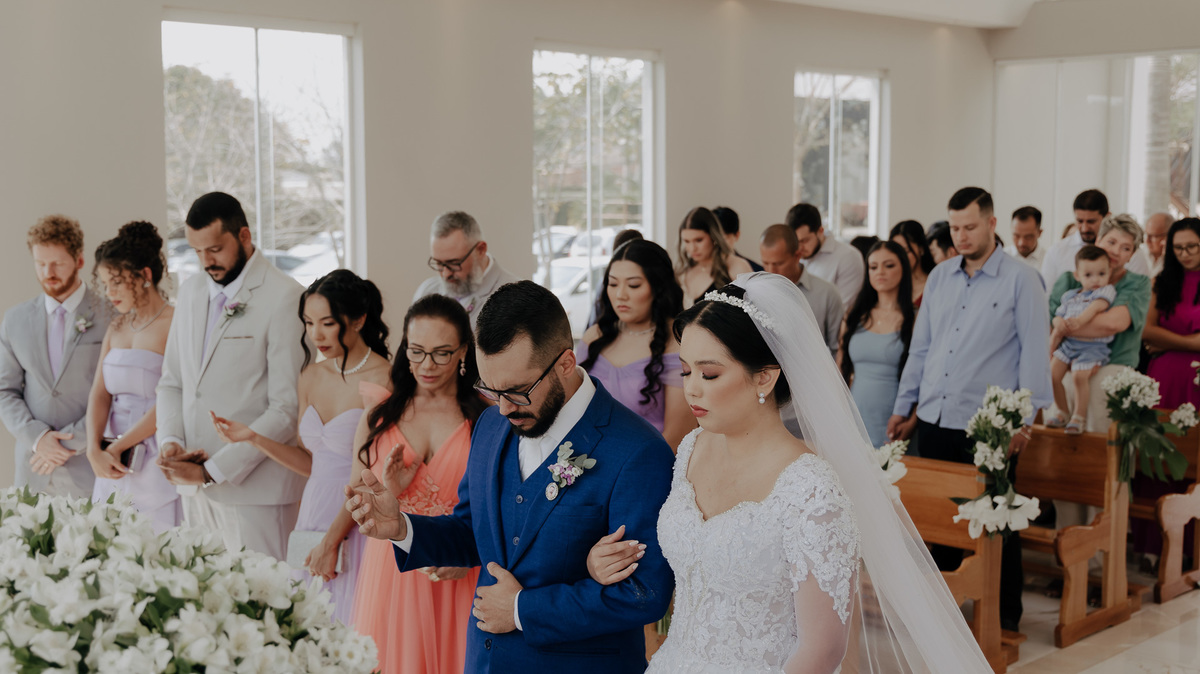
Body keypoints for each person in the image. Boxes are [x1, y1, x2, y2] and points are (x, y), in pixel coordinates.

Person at [585, 273, 992, 672]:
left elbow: (824, 649)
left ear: (765, 376)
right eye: (686, 371)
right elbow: (685, 562)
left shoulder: (810, 489)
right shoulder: (692, 448)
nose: (691, 388)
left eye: (709, 374)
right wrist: (606, 563)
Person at [346, 281, 675, 674]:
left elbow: (644, 592)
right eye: (490, 388)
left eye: (517, 392)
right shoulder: (489, 426)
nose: (502, 408)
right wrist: (401, 527)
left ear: (566, 364)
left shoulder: (638, 452)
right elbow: (473, 532)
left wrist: (522, 611)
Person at [889, 187, 1052, 631]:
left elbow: (1035, 356)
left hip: (989, 427)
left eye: (970, 227)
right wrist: (905, 406)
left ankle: (1003, 619)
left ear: (992, 224)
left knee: (998, 520)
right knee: (938, 515)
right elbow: (922, 350)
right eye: (955, 228)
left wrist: (1024, 422)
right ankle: (942, 612)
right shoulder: (941, 276)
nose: (961, 236)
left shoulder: (1022, 280)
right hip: (935, 416)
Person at [211, 269, 391, 624]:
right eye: (309, 323)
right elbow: (313, 464)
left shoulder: (385, 378)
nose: (316, 334)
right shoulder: (310, 376)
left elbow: (372, 475)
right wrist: (254, 437)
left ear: (357, 319)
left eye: (326, 323)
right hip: (311, 514)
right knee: (310, 624)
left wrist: (332, 539)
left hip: (357, 517)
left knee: (353, 624)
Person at [337, 294, 486, 673]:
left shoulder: (488, 418)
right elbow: (358, 504)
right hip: (393, 575)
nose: (427, 365)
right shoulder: (379, 415)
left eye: (441, 353)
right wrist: (388, 493)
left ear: (464, 351)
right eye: (416, 351)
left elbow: (502, 507)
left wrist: (474, 556)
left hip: (461, 571)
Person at [155, 191, 305, 560]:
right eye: (197, 252)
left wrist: (214, 470)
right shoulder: (189, 293)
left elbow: (287, 408)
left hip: (258, 492)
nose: (207, 261)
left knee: (266, 609)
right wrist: (171, 442)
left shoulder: (286, 297)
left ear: (244, 236)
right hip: (194, 490)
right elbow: (173, 382)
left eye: (215, 249)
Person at [0, 215, 111, 498]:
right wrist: (38, 439)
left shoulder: (111, 316)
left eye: (58, 263)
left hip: (91, 467)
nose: (48, 271)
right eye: (40, 263)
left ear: (79, 261)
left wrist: (67, 444)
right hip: (33, 469)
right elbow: (5, 391)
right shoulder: (14, 320)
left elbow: (118, 393)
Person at [84, 221, 178, 532]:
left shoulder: (174, 323)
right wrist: (93, 448)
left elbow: (172, 398)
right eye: (105, 284)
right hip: (112, 455)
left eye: (116, 282)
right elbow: (100, 393)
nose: (109, 293)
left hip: (153, 451)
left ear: (145, 276)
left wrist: (120, 445)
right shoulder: (117, 327)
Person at [580, 240, 695, 452]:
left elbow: (678, 435)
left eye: (633, 285)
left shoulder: (680, 343)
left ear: (658, 287)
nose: (620, 295)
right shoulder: (594, 336)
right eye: (613, 284)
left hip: (650, 465)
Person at [1047, 213, 1152, 432]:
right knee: (1056, 380)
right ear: (1098, 241)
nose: (1116, 251)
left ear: (1132, 255)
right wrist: (1059, 329)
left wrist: (1064, 326)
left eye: (1126, 248)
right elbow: (1048, 322)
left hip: (1114, 364)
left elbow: (1114, 324)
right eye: (1111, 242)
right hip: (1067, 359)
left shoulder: (1137, 283)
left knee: (1098, 388)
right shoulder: (1069, 278)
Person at [1138, 217, 1200, 563]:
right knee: (1159, 457)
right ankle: (1152, 546)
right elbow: (1148, 332)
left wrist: (1173, 343)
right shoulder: (1164, 281)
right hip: (1164, 381)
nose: (1185, 254)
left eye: (1192, 247)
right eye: (1178, 248)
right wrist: (1191, 342)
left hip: (1196, 383)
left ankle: (1192, 549)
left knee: (1194, 460)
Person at [839, 241, 916, 448]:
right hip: (855, 414)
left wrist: (912, 421)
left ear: (903, 268)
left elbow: (924, 377)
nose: (880, 272)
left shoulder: (915, 320)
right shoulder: (854, 315)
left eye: (889, 265)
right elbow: (840, 369)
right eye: (873, 267)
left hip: (896, 417)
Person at [1044, 246, 1118, 434]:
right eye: (1088, 275)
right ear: (1077, 276)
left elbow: (1095, 308)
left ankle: (1079, 416)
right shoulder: (1070, 296)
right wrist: (1058, 322)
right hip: (1068, 345)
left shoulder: (1106, 291)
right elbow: (1057, 316)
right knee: (1053, 375)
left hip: (1091, 347)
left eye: (1101, 273)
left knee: (1079, 377)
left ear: (1109, 273)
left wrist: (1077, 322)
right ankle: (1062, 411)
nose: (1096, 280)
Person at [413, 211, 519, 328]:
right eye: (439, 263)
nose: (446, 274)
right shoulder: (426, 292)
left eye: (454, 263)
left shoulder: (516, 298)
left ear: (480, 250)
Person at [759, 224, 843, 358]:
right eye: (765, 263)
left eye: (779, 263)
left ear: (797, 256)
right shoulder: (755, 293)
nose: (771, 270)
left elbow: (837, 349)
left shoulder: (827, 293)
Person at [1042, 189, 1150, 285]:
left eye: (1091, 222)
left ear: (1107, 216)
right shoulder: (1057, 251)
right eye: (1080, 221)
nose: (1085, 228)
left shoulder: (1132, 254)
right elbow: (1046, 296)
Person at [785, 203, 865, 307]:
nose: (799, 248)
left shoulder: (848, 257)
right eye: (795, 241)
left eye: (804, 241)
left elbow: (841, 310)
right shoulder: (793, 256)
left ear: (820, 231)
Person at [677, 207, 753, 306]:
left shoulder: (737, 266)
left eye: (699, 240)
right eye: (687, 241)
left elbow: (756, 310)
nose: (692, 248)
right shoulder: (682, 273)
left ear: (713, 236)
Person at [889, 220, 935, 305]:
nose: (900, 257)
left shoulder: (935, 284)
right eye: (895, 252)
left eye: (906, 251)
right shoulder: (891, 285)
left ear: (921, 249)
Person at [712, 206, 764, 272]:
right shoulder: (698, 269)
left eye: (724, 238)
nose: (717, 243)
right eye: (713, 238)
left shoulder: (755, 271)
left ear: (737, 235)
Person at [1007, 206, 1046, 278]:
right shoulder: (1002, 257)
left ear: (1039, 233)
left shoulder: (1048, 260)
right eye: (1016, 236)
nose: (1021, 243)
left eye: (1028, 237)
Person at [1141, 212, 1171, 278]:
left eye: (1153, 236)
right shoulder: (1139, 255)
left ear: (1168, 236)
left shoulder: (1176, 261)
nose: (1147, 241)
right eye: (1146, 234)